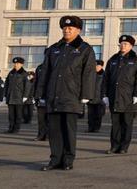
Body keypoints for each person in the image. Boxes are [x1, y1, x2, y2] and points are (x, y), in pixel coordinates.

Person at [36, 15, 96, 171]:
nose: (67, 30)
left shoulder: (85, 49)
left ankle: (68, 160)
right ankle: (55, 159)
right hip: (53, 96)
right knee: (54, 131)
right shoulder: (54, 48)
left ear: (78, 30)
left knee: (68, 130)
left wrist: (85, 95)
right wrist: (40, 94)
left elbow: (89, 73)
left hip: (72, 96)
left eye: (70, 28)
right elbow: (45, 73)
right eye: (64, 28)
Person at [103, 35, 137, 154]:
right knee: (115, 123)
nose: (123, 45)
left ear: (131, 46)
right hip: (114, 97)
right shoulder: (113, 60)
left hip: (128, 98)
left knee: (126, 123)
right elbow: (106, 78)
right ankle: (114, 146)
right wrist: (105, 94)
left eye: (126, 44)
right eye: (121, 43)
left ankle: (124, 146)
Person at [5, 57, 30, 133]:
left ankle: (16, 129)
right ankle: (11, 128)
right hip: (11, 97)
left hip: (19, 97)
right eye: (15, 63)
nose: (15, 65)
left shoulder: (24, 74)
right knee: (11, 115)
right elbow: (7, 84)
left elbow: (27, 86)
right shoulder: (11, 73)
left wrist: (25, 96)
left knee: (18, 115)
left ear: (21, 64)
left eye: (17, 63)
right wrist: (6, 94)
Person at [87, 60, 106, 132]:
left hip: (99, 98)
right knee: (90, 115)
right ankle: (90, 128)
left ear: (101, 66)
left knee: (98, 115)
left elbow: (105, 86)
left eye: (98, 66)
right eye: (95, 65)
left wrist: (104, 96)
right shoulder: (91, 74)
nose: (96, 67)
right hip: (91, 97)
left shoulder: (104, 75)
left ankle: (96, 128)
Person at [33, 63, 48, 141]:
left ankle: (49, 135)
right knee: (41, 118)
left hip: (51, 97)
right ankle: (41, 135)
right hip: (40, 96)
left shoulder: (57, 65)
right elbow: (35, 82)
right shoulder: (40, 67)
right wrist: (34, 95)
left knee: (50, 119)